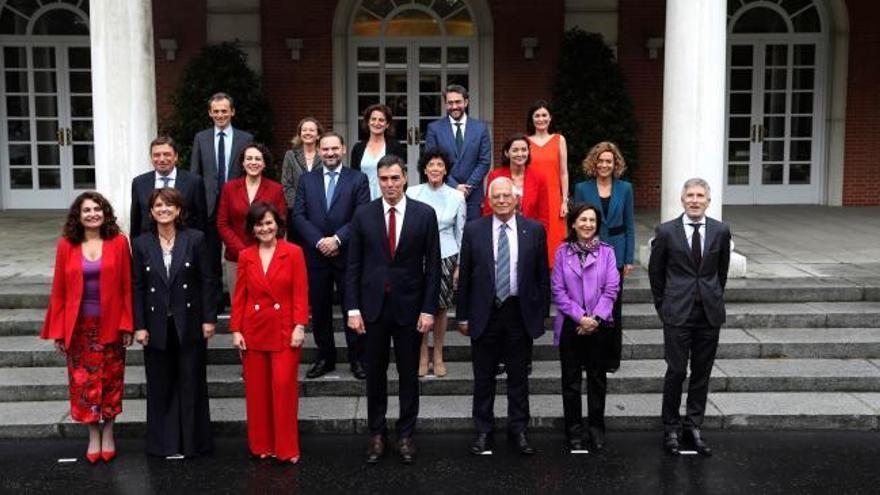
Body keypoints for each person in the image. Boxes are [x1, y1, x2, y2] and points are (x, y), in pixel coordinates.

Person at [345, 154, 441, 464]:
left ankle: (405, 434)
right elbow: (353, 266)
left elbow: (434, 267)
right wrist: (352, 308)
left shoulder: (424, 215)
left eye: (395, 178)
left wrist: (428, 309)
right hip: (372, 309)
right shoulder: (363, 215)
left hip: (410, 309)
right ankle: (376, 434)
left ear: (405, 179)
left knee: (408, 375)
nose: (389, 184)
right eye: (384, 179)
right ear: (379, 181)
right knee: (374, 373)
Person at [457, 177, 550, 456]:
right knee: (483, 377)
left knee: (518, 377)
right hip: (484, 313)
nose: (501, 200)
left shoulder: (534, 230)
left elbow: (541, 276)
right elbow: (466, 279)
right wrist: (462, 315)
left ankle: (518, 429)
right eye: (495, 196)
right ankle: (484, 430)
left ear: (516, 198)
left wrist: (541, 312)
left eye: (506, 195)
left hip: (519, 312)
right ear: (488, 200)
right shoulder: (474, 230)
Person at [41, 192, 133, 464]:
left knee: (111, 381)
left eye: (97, 209)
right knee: (84, 385)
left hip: (111, 325)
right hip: (79, 328)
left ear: (105, 213)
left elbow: (127, 287)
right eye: (86, 210)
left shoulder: (118, 242)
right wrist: (58, 330)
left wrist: (127, 325)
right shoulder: (66, 245)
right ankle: (93, 434)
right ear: (78, 216)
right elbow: (58, 290)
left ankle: (109, 432)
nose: (92, 214)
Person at [131, 188, 217, 458]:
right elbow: (138, 287)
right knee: (160, 385)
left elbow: (208, 281)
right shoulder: (142, 243)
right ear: (151, 212)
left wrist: (209, 319)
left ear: (179, 210)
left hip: (189, 322)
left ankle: (192, 444)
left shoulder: (195, 239)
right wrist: (139, 325)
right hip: (156, 324)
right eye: (158, 205)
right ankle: (164, 444)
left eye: (169, 205)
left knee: (191, 383)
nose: (163, 209)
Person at [648, 178, 731, 457]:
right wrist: (664, 307)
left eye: (700, 196)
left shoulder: (720, 231)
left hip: (708, 312)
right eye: (690, 196)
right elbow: (656, 273)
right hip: (677, 312)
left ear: (708, 200)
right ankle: (671, 426)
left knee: (702, 372)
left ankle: (693, 425)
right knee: (676, 371)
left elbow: (721, 273)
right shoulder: (666, 231)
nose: (695, 200)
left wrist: (713, 296)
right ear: (682, 200)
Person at [230, 202, 309, 464]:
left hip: (285, 330)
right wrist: (236, 329)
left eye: (269, 223)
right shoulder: (245, 256)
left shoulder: (294, 252)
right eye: (259, 224)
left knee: (284, 388)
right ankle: (261, 444)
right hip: (253, 330)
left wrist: (300, 325)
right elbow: (240, 296)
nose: (264, 228)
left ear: (278, 225)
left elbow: (300, 291)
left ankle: (287, 448)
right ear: (252, 229)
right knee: (257, 392)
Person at [293, 132, 371, 379]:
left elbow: (361, 214)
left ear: (343, 149)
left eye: (334, 149)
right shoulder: (307, 180)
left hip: (347, 254)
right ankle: (325, 357)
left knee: (352, 306)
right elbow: (298, 216)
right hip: (316, 256)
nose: (330, 153)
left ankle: (357, 358)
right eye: (325, 149)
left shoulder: (358, 179)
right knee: (320, 309)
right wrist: (319, 242)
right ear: (318, 151)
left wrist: (337, 239)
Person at [551, 203, 620, 452]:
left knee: (596, 380)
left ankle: (596, 430)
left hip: (599, 326)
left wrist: (594, 319)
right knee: (570, 382)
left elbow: (611, 289)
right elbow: (558, 291)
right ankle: (573, 431)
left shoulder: (607, 253)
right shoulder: (561, 252)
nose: (588, 225)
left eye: (592, 220)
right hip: (572, 325)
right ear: (573, 223)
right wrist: (580, 318)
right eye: (583, 220)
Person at [573, 141, 636, 373]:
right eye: (600, 160)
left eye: (609, 161)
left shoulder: (626, 188)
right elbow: (579, 222)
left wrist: (629, 258)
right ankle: (585, 357)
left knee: (612, 307)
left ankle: (611, 358)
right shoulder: (582, 188)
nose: (604, 164)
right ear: (594, 162)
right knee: (586, 303)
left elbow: (629, 224)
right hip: (588, 251)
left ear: (615, 163)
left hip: (616, 254)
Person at [406, 149, 466, 378]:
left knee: (440, 308)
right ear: (424, 168)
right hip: (417, 256)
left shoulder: (456, 196)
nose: (435, 169)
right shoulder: (412, 192)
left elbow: (461, 231)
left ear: (446, 169)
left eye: (439, 165)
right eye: (431, 164)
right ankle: (422, 353)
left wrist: (460, 265)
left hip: (447, 255)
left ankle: (438, 354)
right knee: (419, 306)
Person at [190, 93, 254, 308]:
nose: (220, 115)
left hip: (236, 205)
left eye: (224, 111)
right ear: (210, 113)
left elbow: (250, 171)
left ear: (232, 112)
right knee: (208, 256)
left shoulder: (245, 139)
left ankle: (241, 298)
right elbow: (195, 173)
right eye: (216, 111)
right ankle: (215, 302)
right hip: (208, 205)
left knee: (238, 251)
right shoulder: (201, 138)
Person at [216, 143, 286, 298]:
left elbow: (280, 224)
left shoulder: (276, 189)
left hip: (266, 257)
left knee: (264, 303)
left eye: (257, 159)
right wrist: (242, 251)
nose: (253, 162)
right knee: (239, 305)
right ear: (243, 163)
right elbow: (222, 223)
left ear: (264, 163)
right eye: (249, 158)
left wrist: (261, 250)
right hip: (236, 258)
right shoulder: (229, 188)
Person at [424, 84, 491, 221]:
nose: (454, 106)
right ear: (445, 104)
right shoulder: (434, 129)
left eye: (458, 102)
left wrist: (467, 188)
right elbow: (431, 162)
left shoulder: (480, 128)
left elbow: (484, 161)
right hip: (443, 192)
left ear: (466, 102)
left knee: (472, 236)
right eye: (450, 103)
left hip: (472, 196)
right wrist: (454, 186)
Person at [131, 136, 207, 238]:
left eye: (167, 154)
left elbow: (201, 221)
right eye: (156, 155)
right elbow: (136, 222)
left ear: (176, 156)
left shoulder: (194, 182)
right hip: (149, 247)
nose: (162, 159)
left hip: (186, 247)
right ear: (151, 158)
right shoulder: (139, 183)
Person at [526, 100, 569, 266]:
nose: (541, 119)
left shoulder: (559, 139)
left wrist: (564, 200)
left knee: (555, 242)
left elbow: (564, 173)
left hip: (553, 197)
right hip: (532, 195)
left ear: (550, 118)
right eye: (537, 115)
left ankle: (554, 283)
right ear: (532, 119)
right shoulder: (525, 142)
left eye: (544, 115)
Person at [481, 135, 550, 231]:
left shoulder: (539, 178)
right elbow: (488, 209)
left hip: (530, 232)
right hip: (502, 231)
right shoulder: (495, 176)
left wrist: (541, 237)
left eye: (523, 150)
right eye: (515, 150)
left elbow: (544, 215)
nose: (520, 154)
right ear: (506, 153)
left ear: (528, 152)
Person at [350, 104, 407, 200]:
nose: (377, 123)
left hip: (389, 198)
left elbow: (401, 175)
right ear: (368, 122)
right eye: (373, 119)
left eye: (381, 120)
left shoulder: (395, 146)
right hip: (363, 198)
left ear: (387, 124)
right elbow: (353, 178)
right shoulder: (358, 148)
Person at [281, 117, 325, 240]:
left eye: (311, 130)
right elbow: (286, 184)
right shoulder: (290, 155)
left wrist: (316, 206)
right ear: (300, 134)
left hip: (320, 212)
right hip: (296, 212)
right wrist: (299, 207)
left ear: (318, 135)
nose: (307, 133)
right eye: (304, 130)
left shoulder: (325, 155)